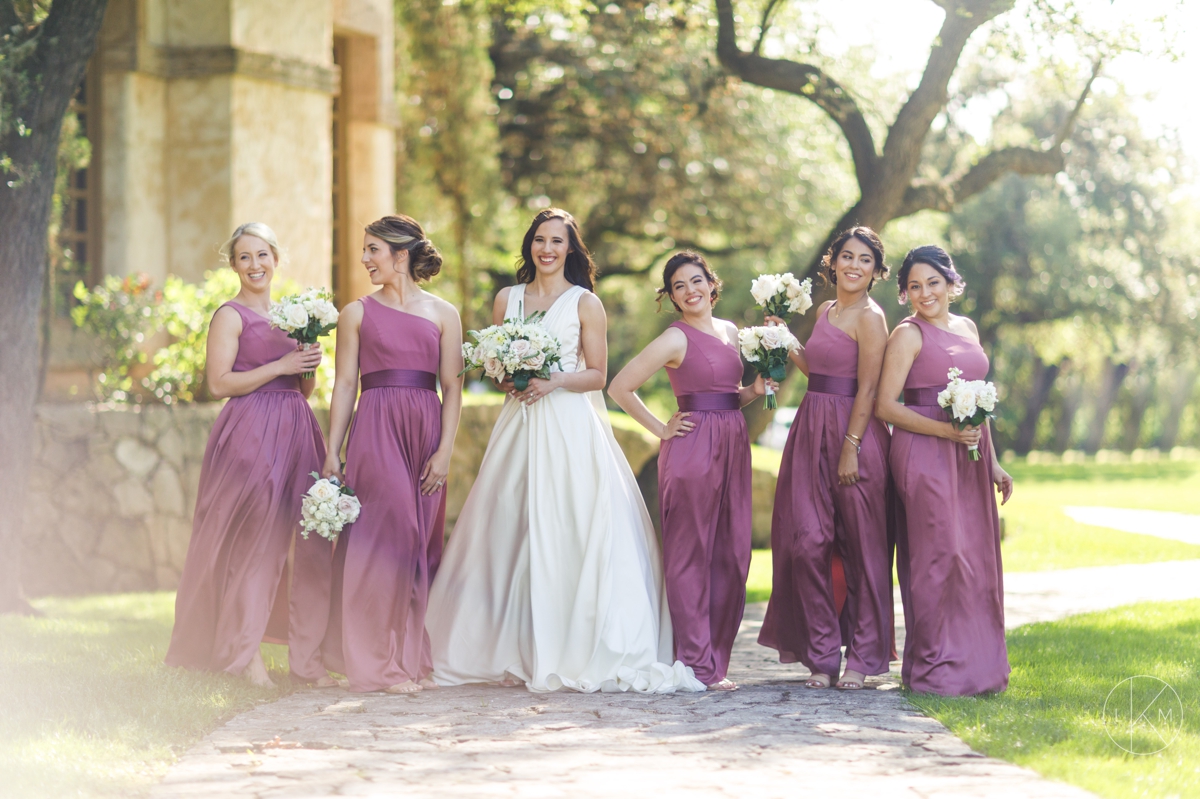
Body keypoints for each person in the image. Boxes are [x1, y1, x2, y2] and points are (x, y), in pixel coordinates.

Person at [426, 208, 704, 693]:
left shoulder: (584, 303)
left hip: (570, 425)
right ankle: (509, 647)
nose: (547, 249)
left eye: (557, 241)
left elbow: (597, 374)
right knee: (512, 526)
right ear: (529, 245)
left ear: (571, 250)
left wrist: (551, 379)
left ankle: (575, 644)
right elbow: (494, 365)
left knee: (570, 526)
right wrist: (507, 371)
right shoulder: (506, 298)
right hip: (520, 424)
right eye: (539, 239)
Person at [166, 222, 331, 688]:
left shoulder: (294, 315)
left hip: (298, 428)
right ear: (234, 264)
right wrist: (278, 364)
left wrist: (307, 362)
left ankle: (307, 658)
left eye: (262, 255)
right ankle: (244, 654)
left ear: (276, 260)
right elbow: (218, 384)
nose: (255, 265)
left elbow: (304, 386)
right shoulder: (230, 315)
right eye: (244, 257)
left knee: (312, 541)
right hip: (252, 433)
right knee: (255, 542)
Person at [609, 252, 768, 692]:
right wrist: (662, 428)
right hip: (692, 449)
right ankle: (695, 663)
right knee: (691, 553)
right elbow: (620, 386)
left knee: (732, 554)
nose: (690, 290)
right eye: (679, 286)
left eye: (696, 281)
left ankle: (715, 659)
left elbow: (727, 395)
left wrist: (754, 390)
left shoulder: (732, 332)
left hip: (734, 445)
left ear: (712, 285)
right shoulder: (674, 338)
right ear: (672, 298)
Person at [320, 215, 463, 694]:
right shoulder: (355, 313)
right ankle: (377, 665)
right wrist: (332, 451)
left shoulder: (445, 314)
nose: (364, 260)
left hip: (424, 428)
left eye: (373, 250)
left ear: (400, 255)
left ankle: (405, 657)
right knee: (389, 534)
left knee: (419, 544)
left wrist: (444, 450)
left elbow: (452, 387)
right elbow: (343, 384)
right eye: (365, 250)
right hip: (376, 428)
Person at [758, 227, 895, 691]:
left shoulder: (872, 318)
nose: (854, 265)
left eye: (865, 260)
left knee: (862, 548)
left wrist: (851, 445)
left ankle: (861, 658)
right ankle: (821, 655)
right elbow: (819, 371)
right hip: (810, 428)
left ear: (876, 271)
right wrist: (786, 342)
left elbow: (870, 387)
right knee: (806, 542)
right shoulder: (825, 311)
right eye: (847, 256)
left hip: (854, 436)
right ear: (832, 262)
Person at [875, 244, 1014, 696]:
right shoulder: (908, 335)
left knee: (974, 559)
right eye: (914, 286)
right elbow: (885, 406)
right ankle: (933, 671)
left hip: (969, 457)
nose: (925, 293)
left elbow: (977, 404)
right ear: (905, 293)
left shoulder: (968, 328)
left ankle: (979, 671)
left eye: (932, 282)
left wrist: (992, 463)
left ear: (951, 282)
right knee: (940, 557)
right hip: (923, 454)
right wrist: (945, 433)